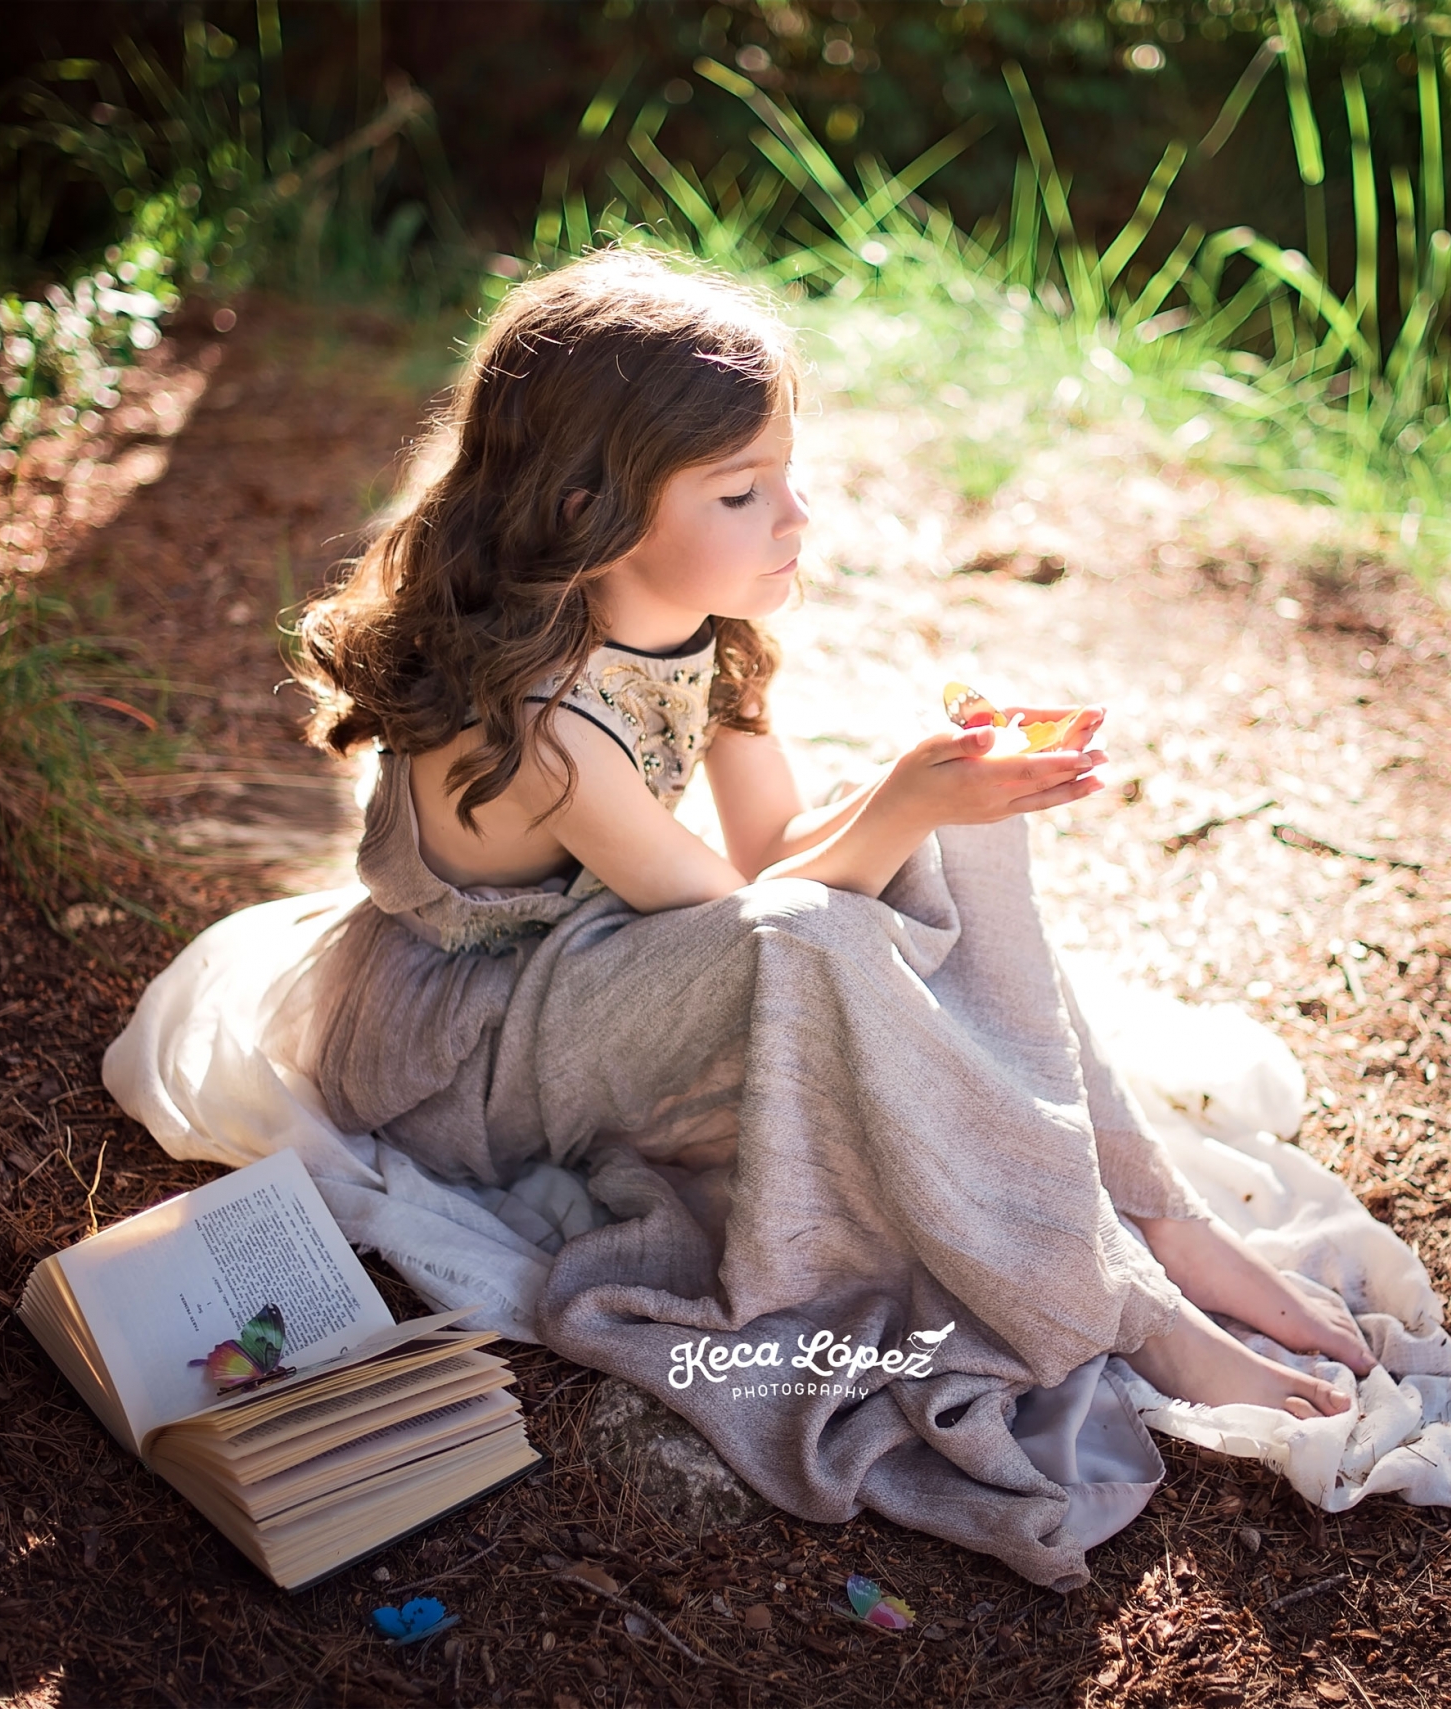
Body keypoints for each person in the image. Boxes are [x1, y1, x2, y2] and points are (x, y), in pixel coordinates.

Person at [275, 246, 1371, 1419]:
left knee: (943, 837)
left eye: (786, 475)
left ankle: (1151, 1212)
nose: (795, 515)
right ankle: (1116, 1303)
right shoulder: (539, 721)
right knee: (839, 908)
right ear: (590, 508)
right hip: (469, 1052)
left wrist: (933, 793)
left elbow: (772, 845)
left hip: (596, 976)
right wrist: (898, 802)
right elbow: (745, 923)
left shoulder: (703, 627)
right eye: (741, 492)